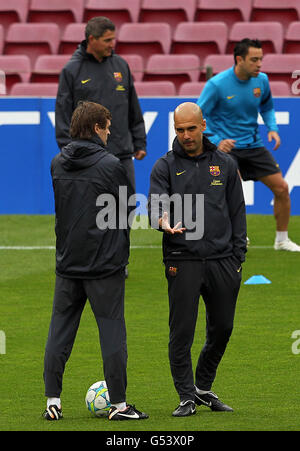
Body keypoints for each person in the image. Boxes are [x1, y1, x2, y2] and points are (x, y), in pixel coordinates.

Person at [43, 101, 148, 422]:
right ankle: (118, 405)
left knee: (59, 330)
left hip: (68, 262)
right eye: (107, 126)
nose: (110, 131)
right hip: (104, 265)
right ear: (96, 128)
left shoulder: (57, 163)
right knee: (112, 331)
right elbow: (128, 207)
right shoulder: (111, 165)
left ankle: (52, 401)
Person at [148, 102, 247, 417]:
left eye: (191, 128)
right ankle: (186, 396)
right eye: (180, 130)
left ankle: (202, 387)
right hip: (182, 259)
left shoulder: (225, 164)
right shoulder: (164, 166)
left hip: (223, 261)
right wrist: (163, 222)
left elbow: (237, 212)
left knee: (223, 328)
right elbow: (155, 206)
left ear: (203, 125)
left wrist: (238, 257)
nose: (186, 135)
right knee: (182, 333)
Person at [55, 16, 147, 275]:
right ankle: (88, 258)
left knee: (126, 205)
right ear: (91, 39)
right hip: (87, 156)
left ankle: (119, 259)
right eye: (107, 40)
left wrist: (139, 140)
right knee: (90, 209)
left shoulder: (120, 66)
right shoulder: (71, 71)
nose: (112, 44)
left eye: (113, 39)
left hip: (121, 152)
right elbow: (63, 113)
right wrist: (67, 150)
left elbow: (133, 107)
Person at [197, 38, 300, 252]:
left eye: (261, 59)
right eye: (254, 60)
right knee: (232, 190)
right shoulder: (216, 85)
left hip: (254, 145)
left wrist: (272, 128)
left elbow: (267, 107)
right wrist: (216, 140)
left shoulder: (261, 81)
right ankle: (237, 237)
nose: (260, 64)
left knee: (281, 188)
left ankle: (281, 240)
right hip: (227, 149)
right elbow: (197, 117)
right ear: (239, 60)